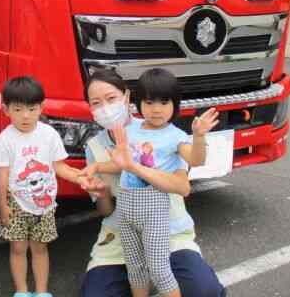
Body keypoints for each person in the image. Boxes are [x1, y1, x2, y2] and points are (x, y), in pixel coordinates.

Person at [79, 69, 227, 297]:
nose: (105, 108)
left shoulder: (165, 132)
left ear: (127, 97)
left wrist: (198, 136)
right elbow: (106, 211)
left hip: (168, 229)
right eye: (96, 103)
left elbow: (183, 185)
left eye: (111, 99)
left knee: (204, 291)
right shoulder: (95, 147)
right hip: (121, 231)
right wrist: (101, 192)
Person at [0, 76, 93, 297]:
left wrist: (80, 178)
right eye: (18, 109)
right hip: (16, 203)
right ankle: (21, 291)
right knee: (18, 249)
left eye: (32, 108)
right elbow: (2, 176)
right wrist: (2, 205)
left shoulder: (48, 134)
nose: (25, 115)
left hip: (45, 204)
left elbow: (60, 167)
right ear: (6, 109)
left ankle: (41, 292)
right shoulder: (4, 139)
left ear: (42, 107)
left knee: (40, 249)